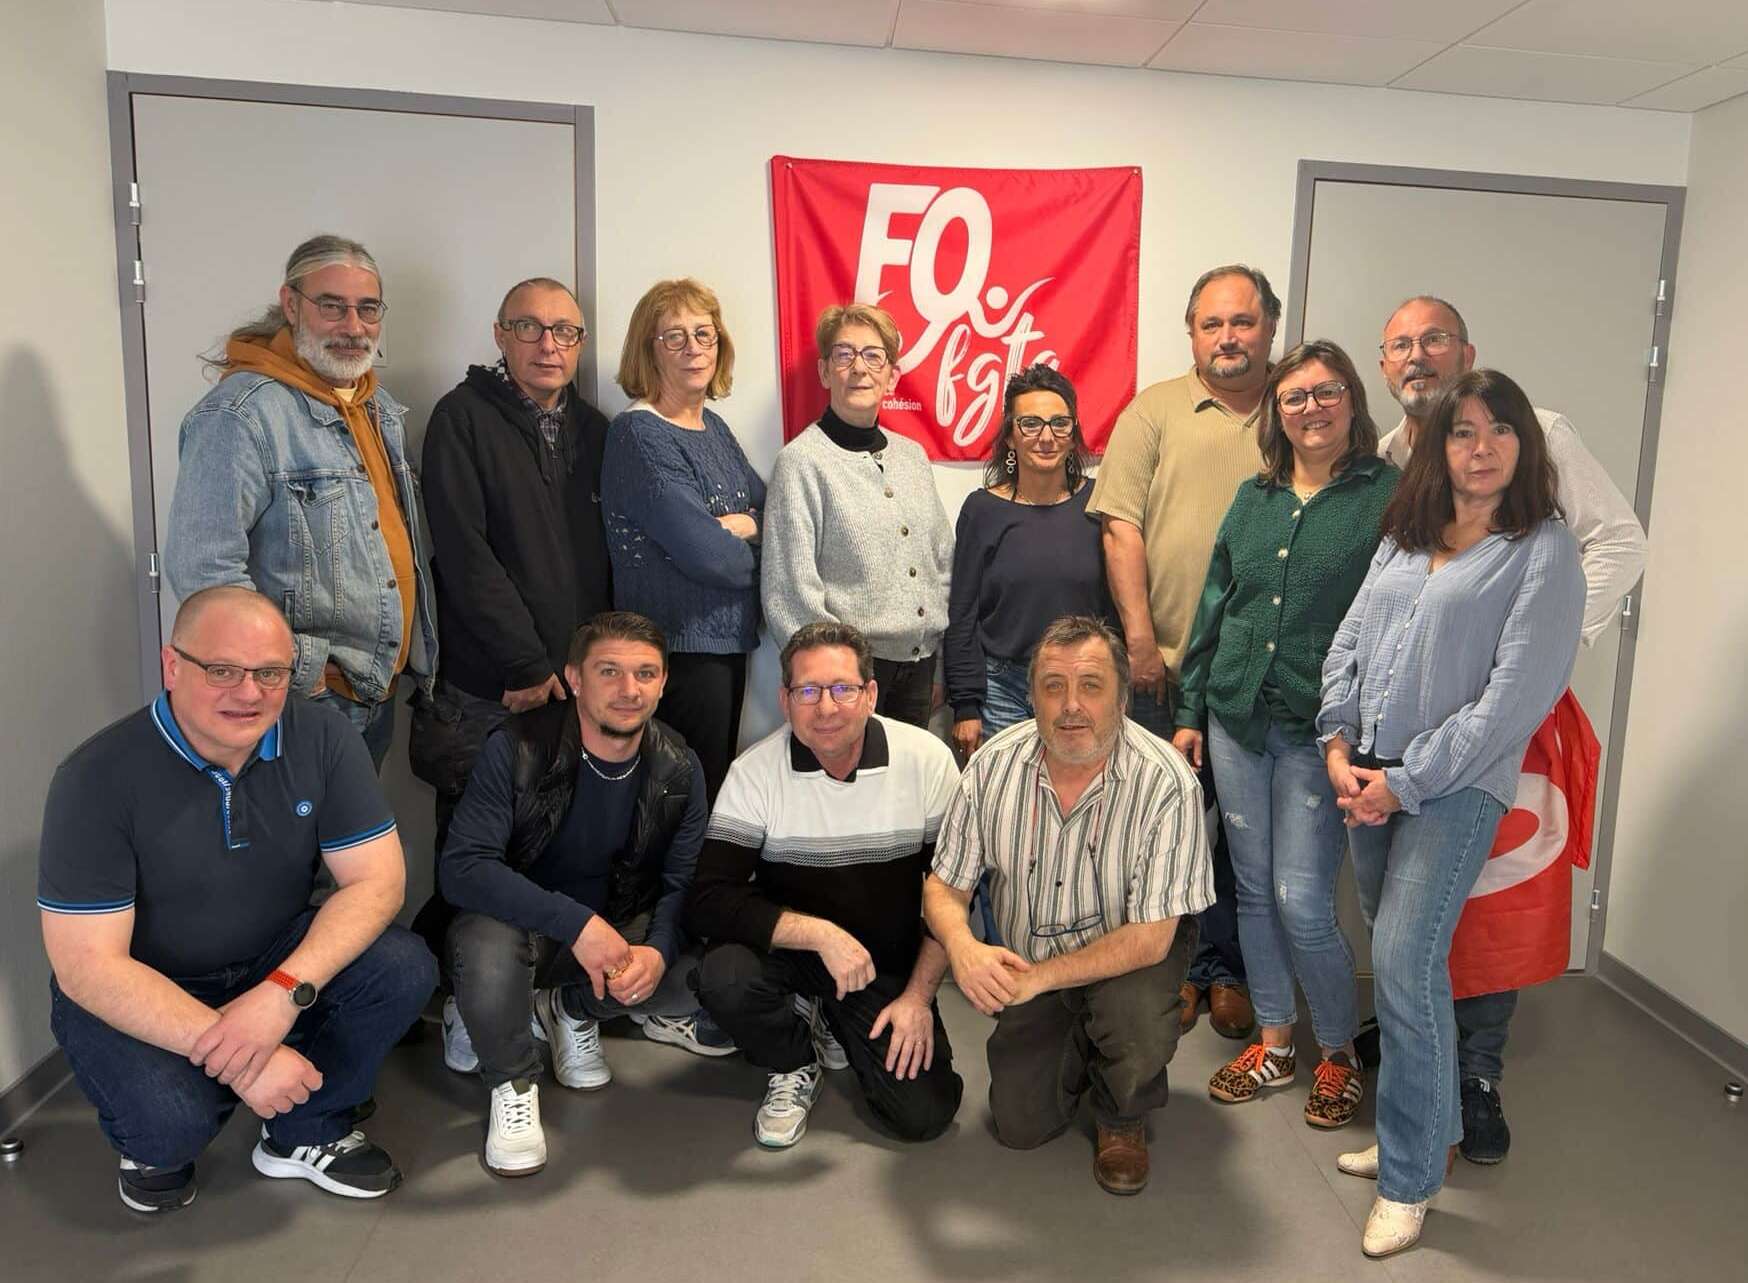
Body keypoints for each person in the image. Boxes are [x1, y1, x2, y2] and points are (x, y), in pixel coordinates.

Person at [38, 587, 436, 1213]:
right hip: (145, 981)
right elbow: (87, 966)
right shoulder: (95, 777)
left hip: (266, 961)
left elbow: (377, 881)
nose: (249, 693)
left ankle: (304, 1129)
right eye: (222, 670)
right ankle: (160, 1136)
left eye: (270, 673)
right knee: (171, 1127)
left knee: (404, 966)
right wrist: (247, 1060)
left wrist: (281, 995)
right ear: (173, 666)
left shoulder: (322, 737)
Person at [1375, 295, 1648, 1164]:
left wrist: (1544, 650)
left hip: (1507, 714)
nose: (1418, 356)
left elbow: (1621, 542)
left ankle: (1478, 1075)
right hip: (1416, 721)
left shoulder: (1541, 432)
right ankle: (1425, 1057)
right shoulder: (1389, 454)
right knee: (1419, 906)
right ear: (1384, 366)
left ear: (1467, 352)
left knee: (1494, 896)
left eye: (1435, 339)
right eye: (1400, 345)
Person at [1318, 369, 1584, 1257]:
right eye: (1463, 431)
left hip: (1455, 787)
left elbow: (1513, 701)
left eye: (1500, 429)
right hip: (1370, 773)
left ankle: (1408, 1180)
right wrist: (1338, 744)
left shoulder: (1543, 549)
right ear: (1440, 446)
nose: (1481, 447)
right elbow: (1350, 640)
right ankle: (1419, 1130)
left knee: (1403, 960)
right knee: (1406, 970)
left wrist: (1407, 781)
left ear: (1525, 444)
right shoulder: (1408, 534)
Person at [1171, 340, 1398, 1129]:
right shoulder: (1254, 496)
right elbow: (1214, 605)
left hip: (1320, 729)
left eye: (1326, 391)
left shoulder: (1386, 496)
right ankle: (1273, 1042)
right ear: (1278, 412)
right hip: (1237, 715)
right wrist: (1189, 711)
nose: (1311, 408)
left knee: (1302, 898)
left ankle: (1336, 1050)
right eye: (1295, 396)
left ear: (1352, 399)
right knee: (1252, 889)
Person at [925, 615, 1213, 1195]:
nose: (1071, 705)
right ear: (1031, 697)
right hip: (1034, 959)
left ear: (1122, 698)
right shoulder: (990, 767)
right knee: (1019, 1125)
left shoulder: (1167, 782)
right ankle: (1082, 1039)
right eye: (1053, 686)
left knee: (1134, 1022)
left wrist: (1037, 980)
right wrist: (963, 946)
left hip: (1133, 953)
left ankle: (1121, 1110)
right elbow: (943, 887)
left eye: (1090, 685)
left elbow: (1152, 938)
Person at [437, 612, 728, 1178]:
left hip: (613, 933)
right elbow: (464, 869)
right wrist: (577, 924)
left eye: (646, 674)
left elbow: (682, 883)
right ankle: (513, 1082)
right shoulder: (517, 746)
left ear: (663, 683)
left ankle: (569, 1010)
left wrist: (657, 951)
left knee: (699, 971)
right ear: (574, 678)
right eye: (609, 671)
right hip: (525, 930)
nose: (629, 689)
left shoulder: (680, 767)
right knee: (484, 945)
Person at [1088, 264, 1283, 1040]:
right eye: (1212, 324)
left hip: (1257, 677)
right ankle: (1157, 970)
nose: (1227, 337)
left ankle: (1223, 968)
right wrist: (1140, 640)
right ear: (1192, 332)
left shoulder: (1298, 410)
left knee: (1241, 835)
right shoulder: (1154, 410)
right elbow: (1120, 527)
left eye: (1242, 321)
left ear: (1270, 326)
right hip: (1160, 667)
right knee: (1153, 830)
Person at [163, 234, 437, 770]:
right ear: (290, 305)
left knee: (350, 828)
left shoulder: (375, 405)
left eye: (368, 309)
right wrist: (299, 670)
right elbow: (204, 573)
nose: (353, 327)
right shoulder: (238, 416)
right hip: (299, 699)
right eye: (332, 306)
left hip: (371, 691)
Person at [686, 622, 964, 1150]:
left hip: (883, 964)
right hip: (794, 952)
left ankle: (834, 1018)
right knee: (724, 979)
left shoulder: (926, 760)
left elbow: (951, 892)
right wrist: (821, 935)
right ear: (785, 700)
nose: (827, 707)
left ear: (871, 694)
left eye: (843, 688)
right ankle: (793, 1060)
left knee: (924, 1114)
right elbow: (707, 899)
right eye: (808, 691)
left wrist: (917, 999)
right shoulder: (755, 772)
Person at [415, 277, 613, 952]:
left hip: (573, 686)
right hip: (492, 686)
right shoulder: (461, 418)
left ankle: (545, 984)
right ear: (500, 336)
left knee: (554, 848)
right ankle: (462, 988)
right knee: (476, 855)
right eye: (529, 327)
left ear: (580, 343)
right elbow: (464, 553)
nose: (548, 345)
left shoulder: (596, 431)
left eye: (565, 331)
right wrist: (525, 662)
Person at [600, 279, 765, 804]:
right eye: (675, 337)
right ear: (648, 350)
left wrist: (749, 526)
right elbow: (709, 557)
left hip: (727, 645)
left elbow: (774, 514)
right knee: (682, 805)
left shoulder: (714, 427)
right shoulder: (639, 435)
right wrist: (740, 538)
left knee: (713, 795)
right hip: (677, 653)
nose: (694, 348)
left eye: (704, 334)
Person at [761, 303, 954, 728]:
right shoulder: (801, 463)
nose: (859, 368)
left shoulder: (912, 457)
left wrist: (939, 662)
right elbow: (789, 593)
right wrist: (835, 680)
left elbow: (941, 562)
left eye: (873, 356)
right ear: (825, 371)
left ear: (892, 377)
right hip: (845, 681)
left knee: (906, 772)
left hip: (919, 672)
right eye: (844, 355)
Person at [945, 364, 1109, 761]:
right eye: (1031, 424)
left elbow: (1119, 603)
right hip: (1005, 688)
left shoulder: (1102, 503)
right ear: (1010, 435)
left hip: (1084, 682)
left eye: (1059, 424)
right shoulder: (982, 510)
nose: (1046, 437)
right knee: (1010, 792)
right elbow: (963, 613)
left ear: (1074, 433)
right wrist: (966, 704)